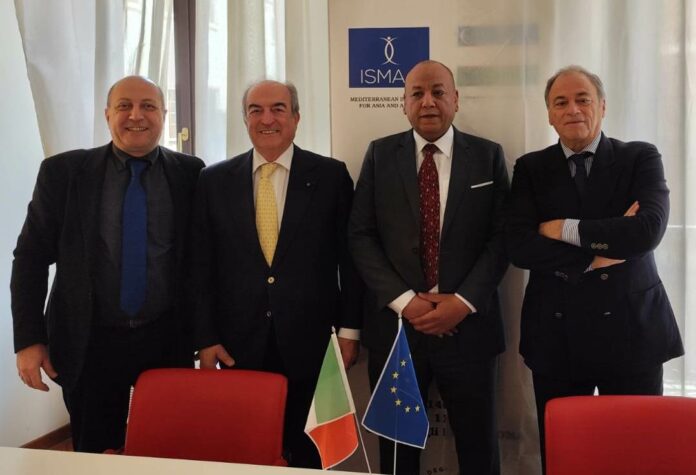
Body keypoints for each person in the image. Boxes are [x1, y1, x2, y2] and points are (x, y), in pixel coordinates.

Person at [11, 76, 205, 452]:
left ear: (164, 114)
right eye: (124, 106)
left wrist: (206, 335)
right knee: (95, 453)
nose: (136, 115)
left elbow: (201, 263)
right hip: (90, 342)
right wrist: (30, 340)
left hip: (166, 339)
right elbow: (30, 258)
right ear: (107, 115)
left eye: (148, 106)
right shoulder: (64, 173)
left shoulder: (191, 173)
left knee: (167, 448)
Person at [505, 65, 684, 469]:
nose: (573, 109)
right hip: (556, 335)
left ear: (602, 106)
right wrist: (598, 255)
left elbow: (646, 232)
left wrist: (560, 228)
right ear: (549, 115)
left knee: (638, 455)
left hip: (633, 332)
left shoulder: (640, 156)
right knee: (565, 456)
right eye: (561, 102)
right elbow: (519, 247)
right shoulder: (531, 168)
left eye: (582, 99)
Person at [348, 60, 510, 475]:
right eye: (417, 94)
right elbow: (361, 236)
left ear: (456, 99)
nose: (428, 102)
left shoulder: (488, 156)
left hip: (469, 331)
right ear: (403, 103)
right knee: (397, 456)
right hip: (398, 332)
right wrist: (407, 303)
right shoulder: (380, 154)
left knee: (479, 454)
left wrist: (462, 302)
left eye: (438, 92)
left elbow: (502, 239)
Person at [191, 80, 362, 469]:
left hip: (312, 345)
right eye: (255, 110)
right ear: (245, 119)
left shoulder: (331, 176)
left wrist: (350, 331)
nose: (266, 119)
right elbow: (200, 266)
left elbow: (351, 261)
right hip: (236, 346)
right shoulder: (213, 180)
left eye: (278, 109)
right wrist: (205, 337)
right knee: (244, 450)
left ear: (296, 117)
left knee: (308, 454)